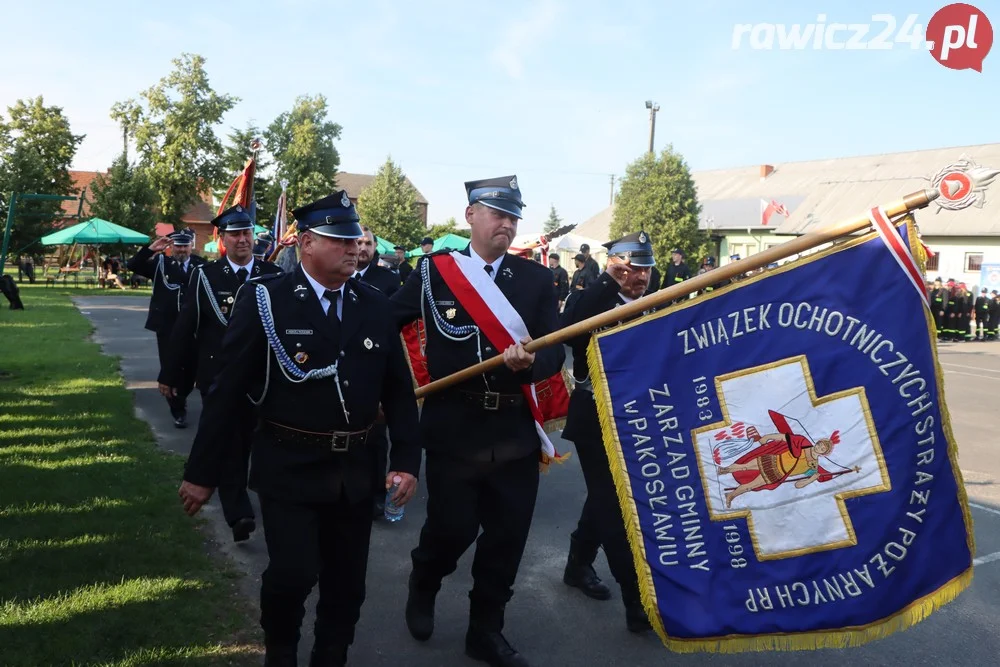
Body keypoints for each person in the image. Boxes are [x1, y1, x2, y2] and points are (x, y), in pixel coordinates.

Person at [177, 190, 422, 667]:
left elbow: (397, 390)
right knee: (292, 574)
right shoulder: (267, 300)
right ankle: (281, 649)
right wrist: (202, 473)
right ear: (306, 243)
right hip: (289, 465)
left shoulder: (375, 304)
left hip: (356, 468)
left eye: (356, 239)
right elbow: (227, 393)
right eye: (340, 239)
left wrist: (407, 461)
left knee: (347, 584)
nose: (354, 248)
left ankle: (331, 655)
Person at [391, 175, 564, 667]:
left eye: (514, 217)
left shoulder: (534, 279)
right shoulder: (433, 273)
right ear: (471, 216)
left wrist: (532, 363)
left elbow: (554, 350)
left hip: (512, 431)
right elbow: (386, 321)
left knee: (507, 538)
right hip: (454, 426)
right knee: (452, 529)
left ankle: (485, 631)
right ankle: (424, 581)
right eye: (498, 214)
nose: (507, 224)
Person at [161, 205, 282, 543]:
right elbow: (186, 328)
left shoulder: (272, 274)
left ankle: (269, 503)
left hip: (263, 380)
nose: (243, 240)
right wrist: (171, 374)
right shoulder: (206, 276)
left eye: (246, 233)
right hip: (219, 376)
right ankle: (239, 513)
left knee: (261, 443)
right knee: (229, 445)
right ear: (223, 239)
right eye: (235, 234)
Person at [559, 230, 656, 634]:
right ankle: (636, 600)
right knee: (615, 504)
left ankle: (578, 564)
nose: (640, 278)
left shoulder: (655, 303)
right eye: (631, 270)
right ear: (616, 267)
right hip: (594, 413)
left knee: (608, 494)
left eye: (645, 269)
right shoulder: (597, 299)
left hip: (638, 415)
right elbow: (568, 325)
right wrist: (606, 280)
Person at [126, 229, 207, 427]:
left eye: (185, 246)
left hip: (195, 326)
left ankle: (183, 393)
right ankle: (177, 408)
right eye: (178, 246)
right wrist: (151, 249)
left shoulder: (202, 265)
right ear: (172, 247)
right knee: (171, 368)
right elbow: (133, 265)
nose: (181, 250)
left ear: (191, 246)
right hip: (168, 326)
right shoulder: (160, 263)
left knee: (191, 368)